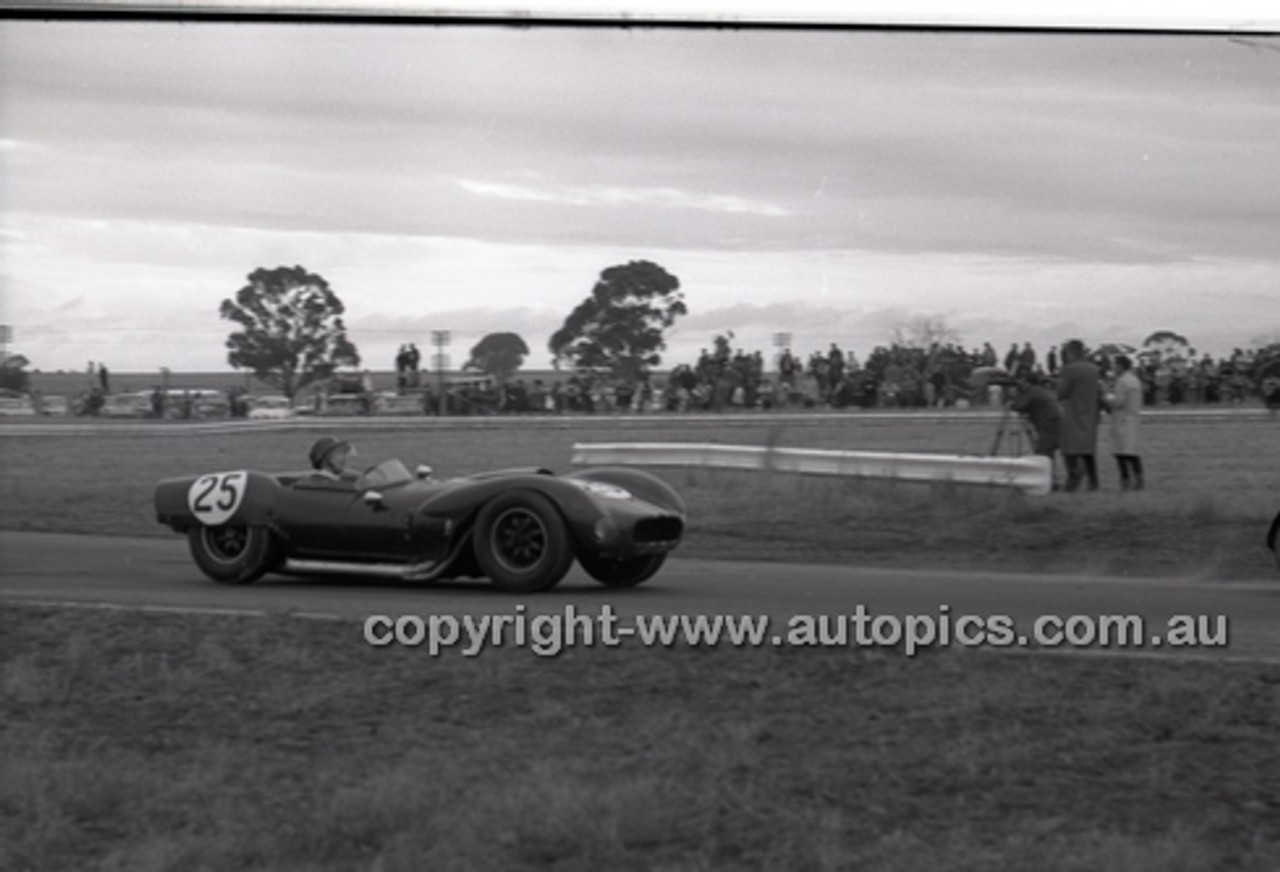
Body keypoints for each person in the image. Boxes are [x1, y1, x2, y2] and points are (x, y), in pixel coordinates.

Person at [1056, 339, 1103, 491]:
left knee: (1069, 448)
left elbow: (1062, 393)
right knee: (1088, 449)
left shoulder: (1070, 369)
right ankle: (1093, 481)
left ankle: (1073, 477)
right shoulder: (1093, 369)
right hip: (1090, 412)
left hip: (1073, 412)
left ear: (1070, 353)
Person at [1009, 373, 1063, 488]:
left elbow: (1018, 406)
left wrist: (1013, 396)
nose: (1020, 383)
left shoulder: (1032, 392)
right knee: (1047, 452)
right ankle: (1052, 480)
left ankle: (1048, 482)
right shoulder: (1039, 391)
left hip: (1048, 423)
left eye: (1023, 381)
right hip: (1052, 422)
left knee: (1043, 452)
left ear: (1029, 383)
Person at [1109, 355, 1145, 490]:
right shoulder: (1134, 380)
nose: (1113, 367)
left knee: (1120, 452)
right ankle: (1139, 477)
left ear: (1120, 366)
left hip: (1122, 418)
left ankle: (1125, 479)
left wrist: (1106, 398)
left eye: (1115, 365)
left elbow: (1118, 402)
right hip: (1133, 417)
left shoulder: (1122, 382)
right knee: (1132, 451)